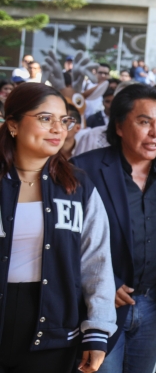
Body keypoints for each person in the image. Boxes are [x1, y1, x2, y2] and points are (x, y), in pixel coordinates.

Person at [72, 85, 156, 373]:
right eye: (144, 122)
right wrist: (105, 283)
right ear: (120, 126)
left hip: (154, 305)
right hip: (101, 306)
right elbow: (67, 238)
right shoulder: (85, 169)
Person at [0, 83, 117, 373]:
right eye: (45, 118)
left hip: (53, 329)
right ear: (13, 124)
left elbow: (97, 262)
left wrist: (98, 330)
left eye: (63, 120)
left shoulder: (77, 187)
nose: (57, 128)